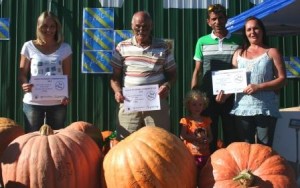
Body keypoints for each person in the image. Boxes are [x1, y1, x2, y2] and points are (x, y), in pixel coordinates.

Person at [110, 11, 177, 139]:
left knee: (160, 142)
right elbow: (114, 77)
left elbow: (173, 74)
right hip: (129, 102)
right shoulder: (122, 47)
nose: (142, 30)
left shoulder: (163, 47)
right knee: (125, 142)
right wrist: (117, 91)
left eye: (145, 26)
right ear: (132, 26)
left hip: (156, 103)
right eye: (138, 26)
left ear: (151, 26)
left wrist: (167, 86)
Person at [228, 16, 286, 146]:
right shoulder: (238, 54)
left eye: (256, 28)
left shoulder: (272, 52)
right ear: (245, 33)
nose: (252, 32)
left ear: (262, 31)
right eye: (249, 29)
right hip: (242, 107)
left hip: (265, 108)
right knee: (245, 148)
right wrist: (224, 95)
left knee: (264, 149)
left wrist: (259, 87)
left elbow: (282, 80)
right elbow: (232, 81)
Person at [191, 4, 242, 152]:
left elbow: (241, 69)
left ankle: (232, 167)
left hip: (230, 96)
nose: (217, 22)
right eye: (214, 19)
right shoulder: (202, 41)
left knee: (231, 134)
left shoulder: (238, 41)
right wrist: (194, 95)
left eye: (220, 18)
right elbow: (197, 70)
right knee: (209, 134)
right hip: (208, 97)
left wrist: (229, 93)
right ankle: (210, 169)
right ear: (209, 22)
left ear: (226, 19)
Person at [19, 11, 72, 133]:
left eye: (52, 26)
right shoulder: (28, 46)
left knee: (57, 140)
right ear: (38, 27)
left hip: (57, 102)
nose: (49, 29)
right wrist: (24, 84)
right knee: (32, 140)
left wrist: (66, 94)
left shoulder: (65, 48)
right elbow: (22, 73)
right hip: (33, 102)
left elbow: (68, 77)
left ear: (57, 27)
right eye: (44, 26)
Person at [180, 90, 213, 172]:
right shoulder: (186, 120)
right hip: (191, 154)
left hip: (205, 154)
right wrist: (195, 138)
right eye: (194, 104)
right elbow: (182, 136)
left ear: (203, 106)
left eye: (200, 104)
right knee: (192, 174)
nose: (197, 107)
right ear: (189, 105)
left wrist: (207, 140)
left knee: (204, 174)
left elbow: (211, 136)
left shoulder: (206, 120)